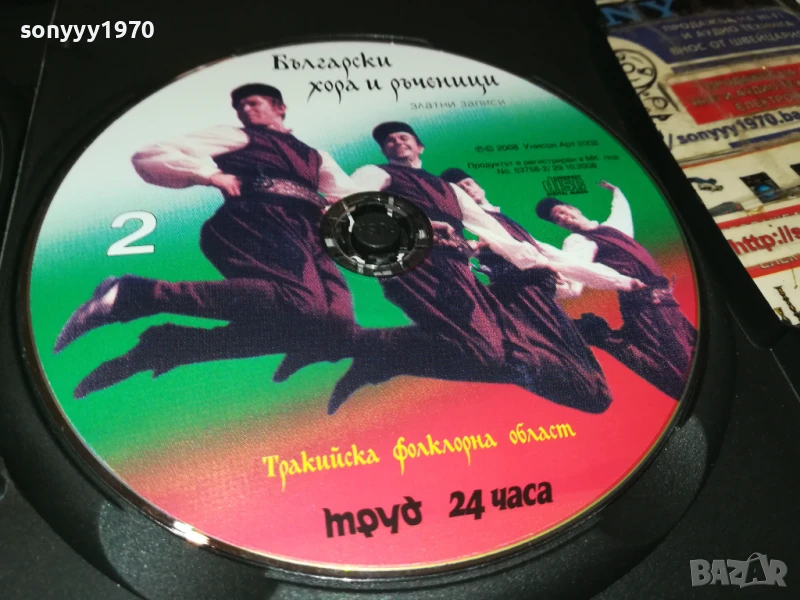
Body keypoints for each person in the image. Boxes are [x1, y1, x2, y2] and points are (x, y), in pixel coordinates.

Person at [54, 83, 365, 398]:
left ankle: (170, 347)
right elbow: (150, 155)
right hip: (256, 220)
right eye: (239, 106)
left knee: (336, 328)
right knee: (303, 308)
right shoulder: (237, 136)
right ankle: (134, 294)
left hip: (309, 233)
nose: (244, 110)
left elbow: (352, 197)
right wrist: (209, 175)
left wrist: (338, 210)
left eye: (252, 103)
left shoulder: (316, 156)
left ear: (279, 108)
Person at [316, 122, 644, 414]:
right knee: (491, 353)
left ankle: (382, 354)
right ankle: (371, 346)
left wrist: (538, 264)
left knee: (591, 393)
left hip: (456, 270)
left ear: (419, 146)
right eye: (389, 140)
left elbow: (493, 230)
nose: (396, 142)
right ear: (384, 150)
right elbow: (349, 202)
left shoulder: (452, 191)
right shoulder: (376, 173)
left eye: (403, 137)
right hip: (413, 263)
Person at [440, 167, 614, 411]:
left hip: (540, 290)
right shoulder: (468, 223)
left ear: (479, 187)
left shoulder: (502, 217)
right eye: (460, 189)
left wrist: (558, 271)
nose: (467, 189)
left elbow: (538, 249)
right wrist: (475, 249)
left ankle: (589, 392)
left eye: (468, 183)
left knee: (578, 357)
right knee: (551, 352)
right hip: (516, 292)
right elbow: (465, 254)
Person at [535, 181, 697, 400]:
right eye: (558, 219)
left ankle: (601, 335)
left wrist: (616, 192)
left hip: (665, 302)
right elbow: (576, 268)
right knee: (676, 361)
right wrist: (556, 282)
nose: (563, 218)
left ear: (574, 208)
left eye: (562, 212)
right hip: (642, 304)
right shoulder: (578, 241)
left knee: (691, 350)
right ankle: (603, 336)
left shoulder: (611, 228)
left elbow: (621, 213)